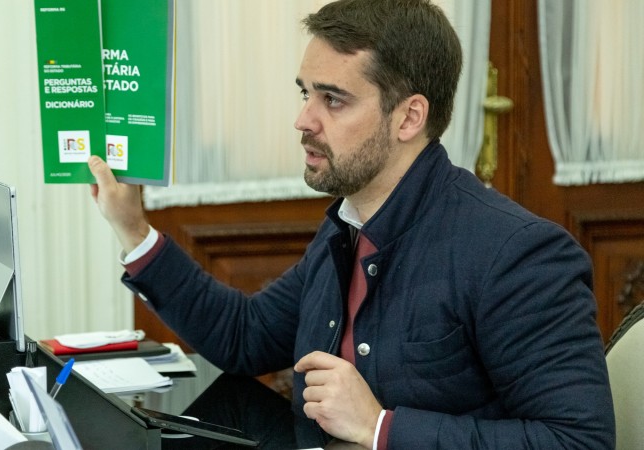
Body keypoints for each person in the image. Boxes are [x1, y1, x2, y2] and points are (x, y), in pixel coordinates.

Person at [87, 0, 615, 448]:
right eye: (305, 93)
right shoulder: (349, 222)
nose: (303, 120)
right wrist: (133, 230)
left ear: (408, 117)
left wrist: (381, 426)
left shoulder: (519, 253)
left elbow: (578, 438)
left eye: (333, 99)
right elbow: (245, 336)